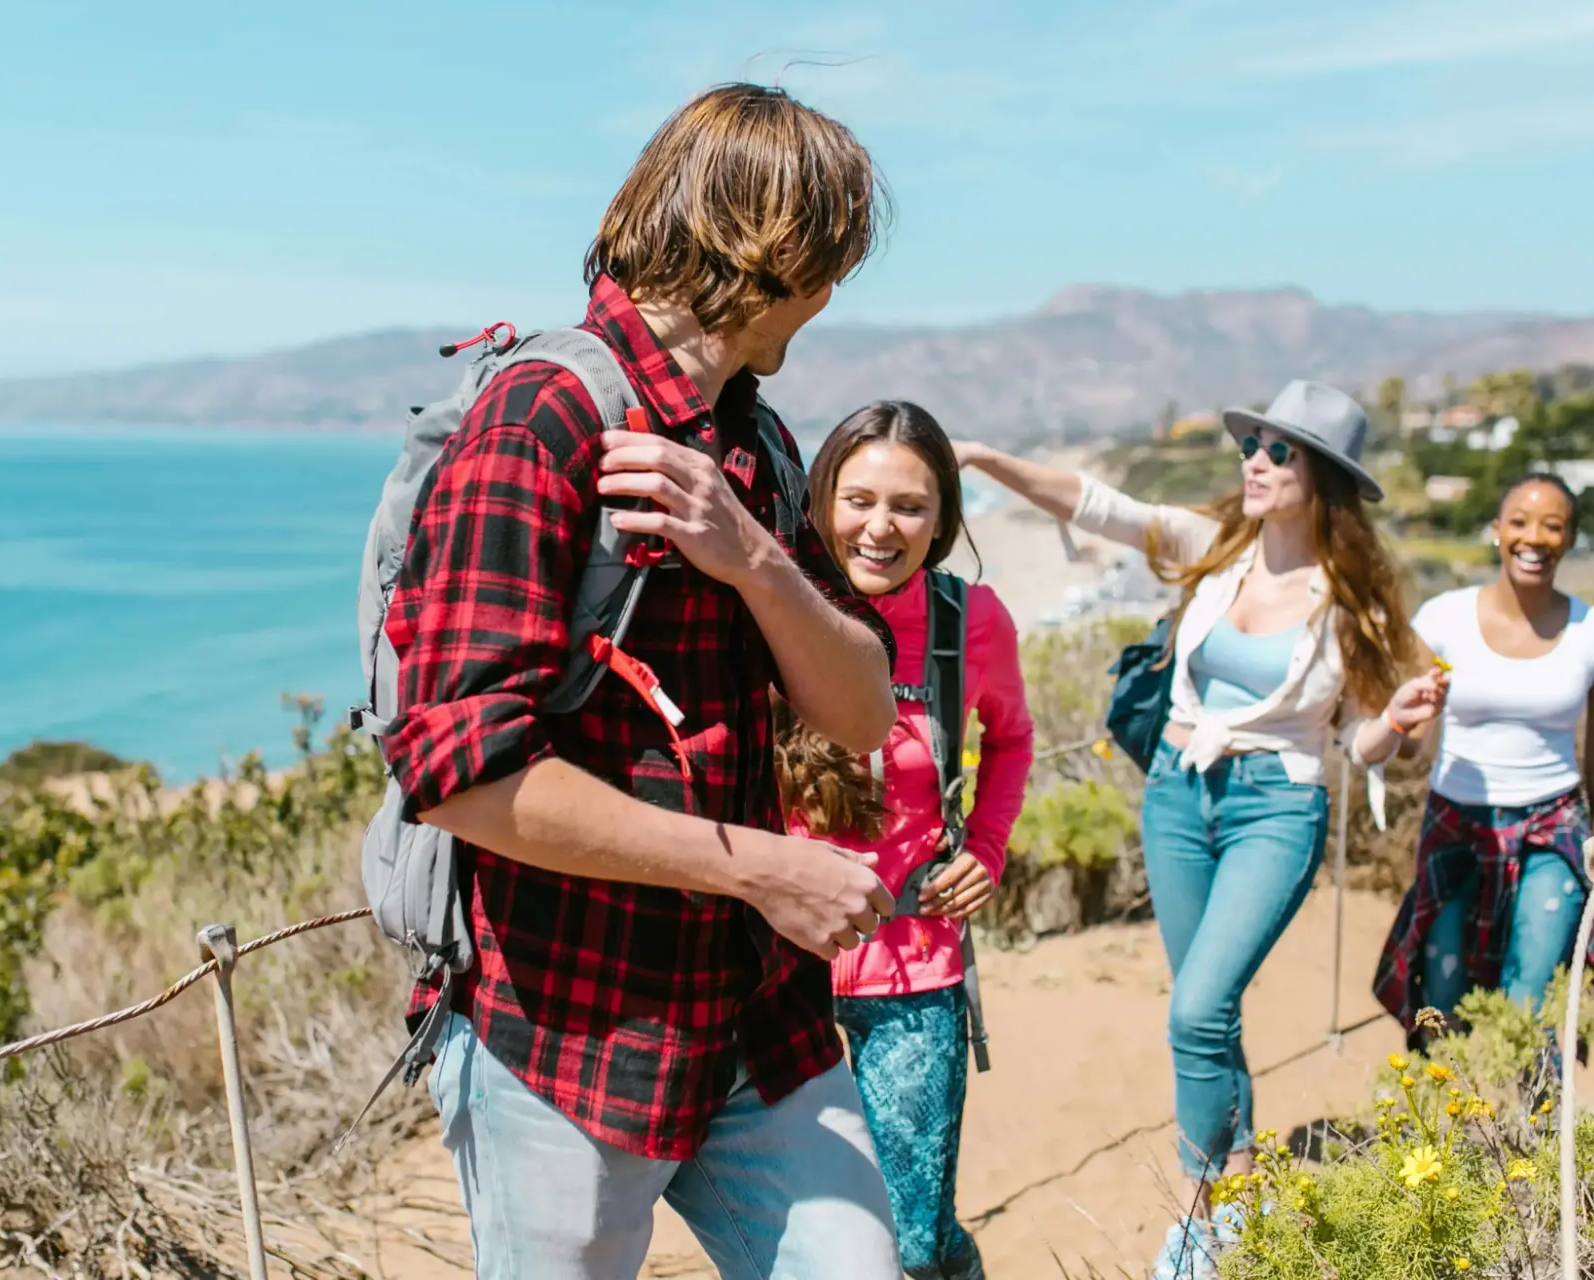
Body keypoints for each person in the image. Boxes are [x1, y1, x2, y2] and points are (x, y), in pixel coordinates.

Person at [379, 83, 910, 1279]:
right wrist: (766, 867)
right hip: (567, 1035)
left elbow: (863, 707)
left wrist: (755, 556)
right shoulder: (544, 415)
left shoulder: (751, 440)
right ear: (780, 254)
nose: (830, 303)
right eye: (831, 269)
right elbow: (460, 775)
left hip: (757, 1022)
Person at [954, 379, 1447, 1280]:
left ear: (1324, 477)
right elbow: (1098, 505)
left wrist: (1401, 718)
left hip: (1276, 806)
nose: (1253, 461)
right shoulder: (1218, 550)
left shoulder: (1353, 603)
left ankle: (1197, 1210)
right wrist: (985, 460)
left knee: (1196, 1009)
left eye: (1277, 449)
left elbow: (1361, 743)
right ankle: (1247, 1185)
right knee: (1208, 1015)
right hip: (1178, 797)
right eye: (1251, 444)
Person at [776, 401, 1034, 1280]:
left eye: (910, 507)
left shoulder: (972, 623)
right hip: (781, 971)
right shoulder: (772, 605)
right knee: (822, 1234)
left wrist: (988, 846)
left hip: (914, 971)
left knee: (915, 1240)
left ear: (943, 520)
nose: (880, 527)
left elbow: (1011, 737)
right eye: (858, 500)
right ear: (819, 502)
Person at [1374, 473, 1594, 1054]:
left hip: (1554, 829)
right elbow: (1413, 743)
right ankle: (1450, 1133)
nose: (1533, 538)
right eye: (1519, 522)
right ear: (1496, 531)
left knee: (1532, 996)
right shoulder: (1441, 620)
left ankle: (1538, 1139)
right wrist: (1388, 722)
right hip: (1456, 825)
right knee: (1443, 992)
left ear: (1570, 538)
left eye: (1552, 525)